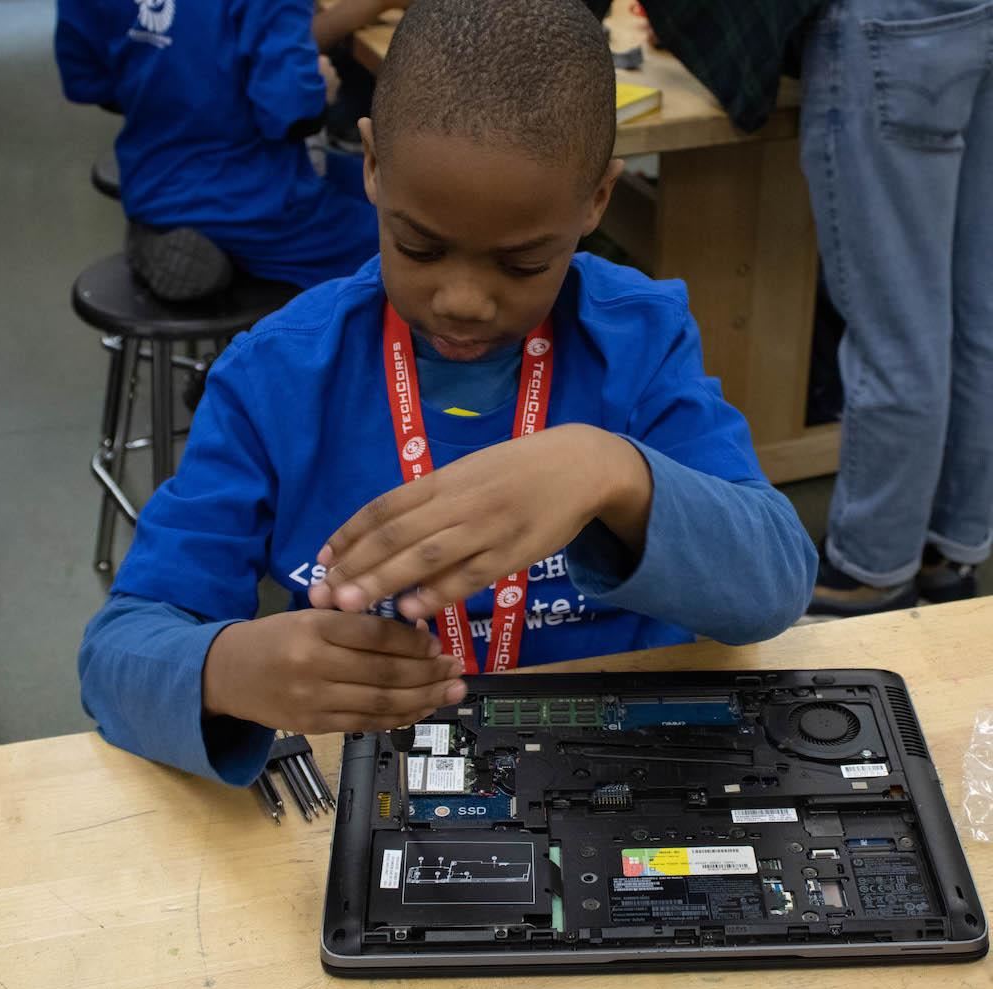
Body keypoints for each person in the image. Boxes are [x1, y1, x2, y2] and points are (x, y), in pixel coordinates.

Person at [78, 0, 817, 786]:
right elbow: (116, 655)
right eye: (419, 246)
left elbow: (772, 586)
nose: (463, 299)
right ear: (370, 165)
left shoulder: (637, 343)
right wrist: (225, 668)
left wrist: (613, 473)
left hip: (613, 776)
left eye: (523, 263)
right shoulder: (277, 377)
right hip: (386, 783)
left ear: (598, 199)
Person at [800, 0, 993, 616]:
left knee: (898, 321)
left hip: (893, 22)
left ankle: (872, 567)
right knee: (978, 311)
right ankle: (950, 548)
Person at [54, 0, 400, 294]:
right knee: (415, 248)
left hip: (153, 172)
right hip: (257, 199)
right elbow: (290, 110)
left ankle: (169, 228)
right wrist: (319, 85)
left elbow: (87, 81)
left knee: (383, 186)